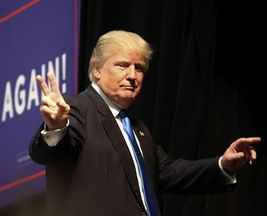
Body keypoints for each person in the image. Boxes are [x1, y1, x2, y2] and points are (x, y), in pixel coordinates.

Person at [29, 30, 260, 216]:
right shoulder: (78, 109)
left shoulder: (138, 130)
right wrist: (57, 127)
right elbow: (48, 153)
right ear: (97, 70)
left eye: (139, 68)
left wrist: (223, 164)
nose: (132, 75)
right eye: (122, 65)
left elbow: (170, 172)